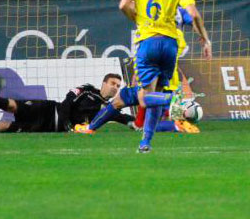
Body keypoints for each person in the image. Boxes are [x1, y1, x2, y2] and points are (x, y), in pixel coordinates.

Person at [117, 0, 211, 153]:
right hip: (170, 44)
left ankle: (172, 99)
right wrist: (205, 40)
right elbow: (194, 14)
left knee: (144, 98)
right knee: (156, 96)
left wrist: (136, 17)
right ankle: (145, 143)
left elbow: (123, 5)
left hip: (148, 42)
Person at [75, 7, 201, 135]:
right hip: (164, 84)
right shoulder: (177, 37)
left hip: (154, 84)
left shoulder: (155, 34)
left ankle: (176, 125)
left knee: (136, 117)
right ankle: (90, 128)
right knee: (119, 102)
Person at [0, 74, 135, 133]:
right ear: (104, 83)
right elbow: (67, 102)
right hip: (49, 110)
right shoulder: (87, 89)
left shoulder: (109, 107)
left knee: (2, 127)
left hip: (46, 127)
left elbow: (120, 117)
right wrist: (67, 123)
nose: (115, 88)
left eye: (118, 86)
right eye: (112, 84)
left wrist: (134, 122)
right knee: (10, 105)